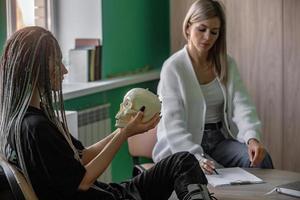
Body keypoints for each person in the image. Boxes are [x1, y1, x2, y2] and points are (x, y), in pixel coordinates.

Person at [0, 26, 216, 200]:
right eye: (56, 63)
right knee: (184, 163)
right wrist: (123, 135)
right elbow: (83, 181)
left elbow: (82, 157)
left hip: (107, 192)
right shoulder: (35, 128)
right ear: (34, 68)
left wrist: (124, 130)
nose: (65, 70)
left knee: (181, 161)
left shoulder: (29, 120)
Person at [152, 0, 274, 175]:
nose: (208, 37)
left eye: (214, 32)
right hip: (183, 146)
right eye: (202, 29)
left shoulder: (226, 63)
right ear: (188, 27)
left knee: (260, 159)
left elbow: (243, 106)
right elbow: (173, 125)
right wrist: (196, 157)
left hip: (219, 140)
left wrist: (251, 137)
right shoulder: (173, 68)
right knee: (210, 173)